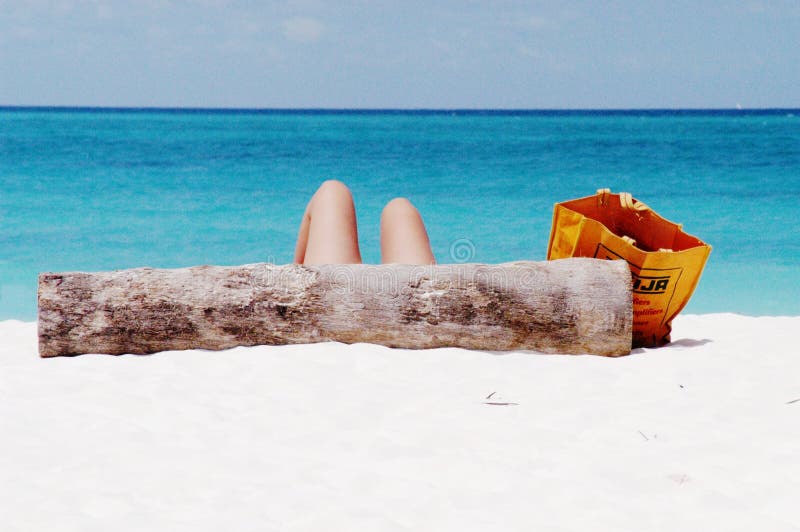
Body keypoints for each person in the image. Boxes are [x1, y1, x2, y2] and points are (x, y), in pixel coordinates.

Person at [294, 180, 436, 265]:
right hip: (417, 310)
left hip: (336, 305)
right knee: (399, 208)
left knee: (332, 190)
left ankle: (296, 279)